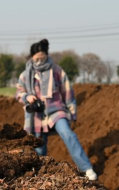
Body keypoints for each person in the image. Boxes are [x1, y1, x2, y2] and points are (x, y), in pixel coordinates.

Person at [16, 39, 97, 181]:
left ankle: (86, 169)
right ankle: (39, 177)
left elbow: (67, 92)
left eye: (42, 55)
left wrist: (72, 112)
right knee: (39, 148)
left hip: (56, 110)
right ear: (32, 56)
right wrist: (27, 97)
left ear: (47, 55)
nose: (40, 58)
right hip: (36, 116)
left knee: (67, 134)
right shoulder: (25, 75)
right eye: (37, 56)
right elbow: (18, 93)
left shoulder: (56, 71)